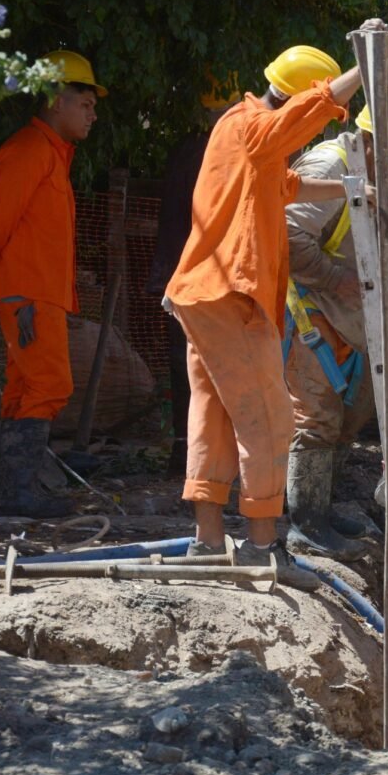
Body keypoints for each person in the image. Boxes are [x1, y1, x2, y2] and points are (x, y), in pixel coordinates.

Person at [164, 35, 377, 591]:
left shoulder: (244, 140)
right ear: (298, 97)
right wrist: (361, 70)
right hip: (230, 294)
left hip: (202, 292)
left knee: (213, 416)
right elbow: (287, 129)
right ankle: (263, 548)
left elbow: (284, 185)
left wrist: (351, 188)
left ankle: (208, 541)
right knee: (270, 416)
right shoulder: (249, 126)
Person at [282, 92, 388, 560]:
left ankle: (322, 508)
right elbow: (285, 235)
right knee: (317, 419)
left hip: (348, 318)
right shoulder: (329, 168)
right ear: (372, 142)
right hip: (311, 310)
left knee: (350, 418)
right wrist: (336, 279)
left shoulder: (367, 173)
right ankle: (304, 523)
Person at [0, 50, 105, 518]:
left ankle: (16, 493)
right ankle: (19, 494)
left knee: (26, 386)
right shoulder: (30, 151)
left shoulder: (51, 154)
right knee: (50, 383)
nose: (92, 115)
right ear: (56, 99)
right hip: (29, 293)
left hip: (36, 293)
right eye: (85, 103)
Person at [146, 77, 239, 478]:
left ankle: (184, 457)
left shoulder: (184, 151)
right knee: (214, 371)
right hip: (208, 279)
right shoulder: (224, 154)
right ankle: (210, 462)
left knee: (184, 369)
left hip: (176, 275)